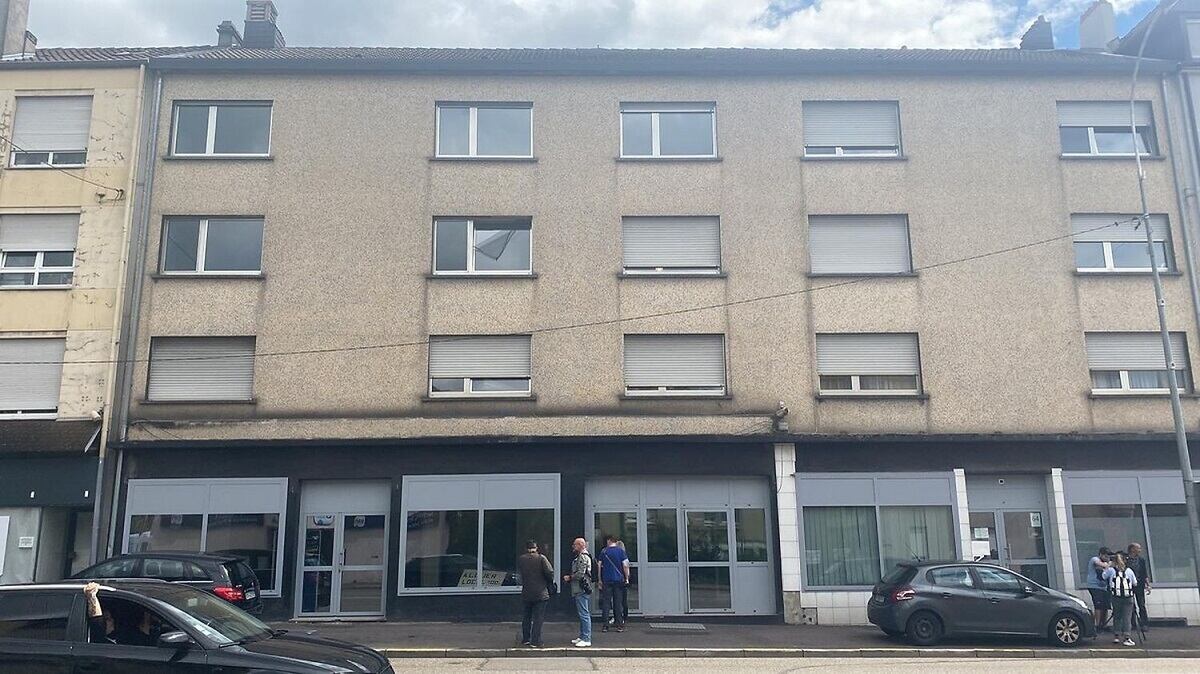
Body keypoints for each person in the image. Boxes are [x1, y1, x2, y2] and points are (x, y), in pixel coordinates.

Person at [82, 582, 160, 647]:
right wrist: (92, 597)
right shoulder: (99, 641)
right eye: (107, 619)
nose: (112, 620)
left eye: (111, 617)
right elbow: (97, 621)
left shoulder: (122, 637)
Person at [516, 540, 554, 648]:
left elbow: (520, 575)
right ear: (536, 548)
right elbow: (550, 573)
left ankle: (526, 639)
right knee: (538, 618)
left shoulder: (522, 559)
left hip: (527, 592)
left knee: (526, 617)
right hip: (540, 593)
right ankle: (535, 641)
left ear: (526, 549)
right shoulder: (541, 558)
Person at [563, 537, 593, 647]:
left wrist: (569, 577)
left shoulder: (582, 557)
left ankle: (586, 638)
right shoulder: (581, 556)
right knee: (582, 614)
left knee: (584, 614)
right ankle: (582, 636)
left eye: (575, 545)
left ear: (581, 545)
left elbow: (580, 574)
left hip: (581, 588)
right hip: (580, 588)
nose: (573, 547)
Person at [1104, 552, 1139, 647]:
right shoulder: (1129, 571)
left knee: (1117, 616)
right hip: (1128, 597)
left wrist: (1107, 566)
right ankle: (1127, 637)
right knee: (1127, 617)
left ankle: (1116, 636)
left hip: (1116, 597)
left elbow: (1103, 576)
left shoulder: (1111, 570)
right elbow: (1135, 583)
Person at [597, 535, 630, 633]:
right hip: (618, 580)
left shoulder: (604, 551)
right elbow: (625, 565)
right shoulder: (621, 551)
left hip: (607, 580)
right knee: (618, 603)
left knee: (606, 603)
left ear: (609, 541)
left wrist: (600, 579)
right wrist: (626, 578)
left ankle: (605, 625)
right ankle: (619, 625)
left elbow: (599, 566)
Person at [1127, 542, 1152, 630]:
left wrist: (1147, 585)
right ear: (1132, 549)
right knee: (1131, 604)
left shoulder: (1141, 560)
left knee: (1141, 604)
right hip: (1129, 585)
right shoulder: (1126, 560)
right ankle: (1133, 623)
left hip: (1139, 584)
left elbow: (1144, 573)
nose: (1140, 550)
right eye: (1138, 548)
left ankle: (1144, 623)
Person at [1086, 547, 1112, 631]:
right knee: (1098, 605)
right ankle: (1097, 625)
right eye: (1105, 556)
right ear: (1100, 554)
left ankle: (1104, 624)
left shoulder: (1107, 562)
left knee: (1106, 606)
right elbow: (1101, 565)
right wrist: (1110, 563)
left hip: (1104, 587)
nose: (1107, 558)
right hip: (1094, 586)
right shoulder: (1095, 559)